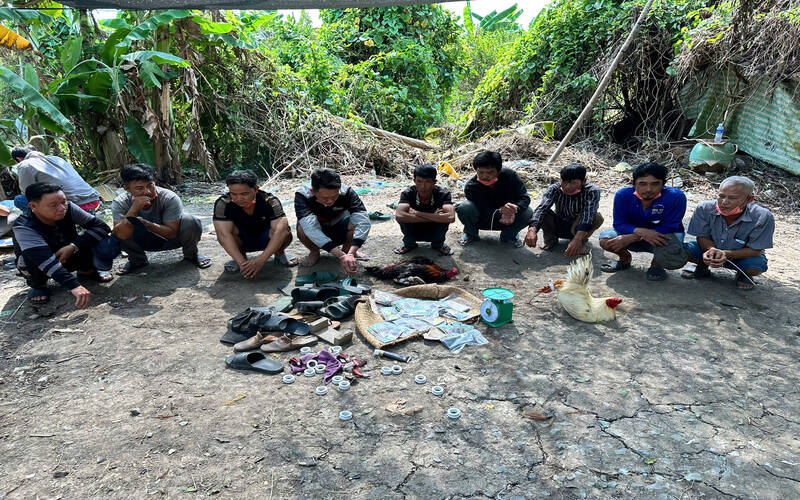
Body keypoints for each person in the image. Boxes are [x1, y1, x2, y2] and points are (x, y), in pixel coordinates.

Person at [12, 182, 119, 307]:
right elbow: (43, 260)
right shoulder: (23, 226)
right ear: (33, 206)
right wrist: (74, 286)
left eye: (63, 202)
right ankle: (38, 284)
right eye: (53, 205)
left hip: (68, 253)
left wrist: (74, 246)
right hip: (41, 262)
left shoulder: (69, 208)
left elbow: (102, 227)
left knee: (99, 240)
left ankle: (85, 270)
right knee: (28, 259)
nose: (62, 208)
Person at [111, 163, 210, 274]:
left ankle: (191, 254)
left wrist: (147, 224)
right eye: (139, 188)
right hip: (141, 242)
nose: (147, 191)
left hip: (170, 239)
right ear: (127, 189)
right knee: (117, 230)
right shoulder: (120, 202)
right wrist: (133, 210)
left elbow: (172, 233)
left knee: (191, 221)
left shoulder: (169, 198)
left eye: (150, 185)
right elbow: (120, 235)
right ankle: (137, 260)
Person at [599, 162, 688, 281]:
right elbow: (619, 224)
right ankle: (625, 258)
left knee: (672, 254)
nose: (649, 189)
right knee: (606, 241)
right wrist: (638, 233)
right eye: (642, 184)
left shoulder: (677, 197)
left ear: (664, 184)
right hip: (633, 234)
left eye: (655, 184)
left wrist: (636, 236)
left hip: (664, 235)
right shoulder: (623, 195)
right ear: (633, 183)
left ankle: (657, 265)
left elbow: (670, 226)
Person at [681, 176, 773, 290]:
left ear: (749, 199)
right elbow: (702, 236)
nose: (724, 202)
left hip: (742, 256)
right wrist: (711, 251)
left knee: (755, 267)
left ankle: (743, 273)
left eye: (732, 198)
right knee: (681, 251)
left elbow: (756, 250)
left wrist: (725, 254)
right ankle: (702, 266)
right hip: (708, 250)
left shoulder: (762, 216)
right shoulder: (704, 208)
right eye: (721, 196)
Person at [213, 170, 297, 278]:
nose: (238, 198)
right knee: (226, 231)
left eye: (244, 194)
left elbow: (281, 231)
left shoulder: (270, 201)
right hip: (241, 240)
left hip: (267, 239)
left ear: (256, 189)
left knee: (283, 229)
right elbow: (223, 235)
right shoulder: (223, 203)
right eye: (233, 194)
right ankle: (241, 260)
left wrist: (261, 260)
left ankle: (279, 253)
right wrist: (243, 265)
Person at [294, 168, 370, 275]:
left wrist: (350, 253)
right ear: (313, 191)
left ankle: (349, 251)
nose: (330, 201)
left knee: (355, 222)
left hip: (339, 227)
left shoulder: (347, 192)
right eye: (325, 197)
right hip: (317, 231)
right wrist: (341, 256)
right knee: (302, 228)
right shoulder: (303, 196)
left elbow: (363, 221)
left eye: (334, 196)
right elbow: (311, 228)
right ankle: (314, 252)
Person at [525, 163, 603, 257]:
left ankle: (581, 241)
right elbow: (542, 208)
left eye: (573, 183)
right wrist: (532, 229)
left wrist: (578, 238)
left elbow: (588, 214)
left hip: (578, 226)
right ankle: (551, 239)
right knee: (544, 212)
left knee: (597, 217)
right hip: (559, 223)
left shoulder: (592, 191)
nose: (567, 186)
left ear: (583, 181)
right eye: (564, 182)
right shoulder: (554, 188)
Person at [456, 151, 532, 247]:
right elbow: (482, 209)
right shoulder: (471, 186)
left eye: (490, 172)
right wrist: (500, 212)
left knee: (528, 212)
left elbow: (524, 197)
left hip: (508, 220)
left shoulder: (510, 176)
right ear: (476, 170)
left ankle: (509, 236)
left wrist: (514, 209)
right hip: (483, 219)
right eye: (481, 172)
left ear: (499, 170)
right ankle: (471, 234)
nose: (484, 176)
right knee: (465, 207)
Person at [12, 145, 101, 214]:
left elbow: (27, 193)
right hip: (93, 200)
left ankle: (46, 225)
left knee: (20, 200)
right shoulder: (55, 158)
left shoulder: (25, 164)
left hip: (75, 206)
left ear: (19, 158)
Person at [394, 164, 456, 255]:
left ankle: (438, 244)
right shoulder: (408, 193)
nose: (423, 186)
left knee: (444, 220)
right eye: (419, 181)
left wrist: (416, 213)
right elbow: (399, 216)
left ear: (434, 182)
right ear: (414, 181)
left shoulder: (443, 194)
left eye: (427, 182)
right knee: (404, 219)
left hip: (434, 229)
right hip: (414, 228)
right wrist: (435, 216)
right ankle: (409, 244)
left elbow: (450, 217)